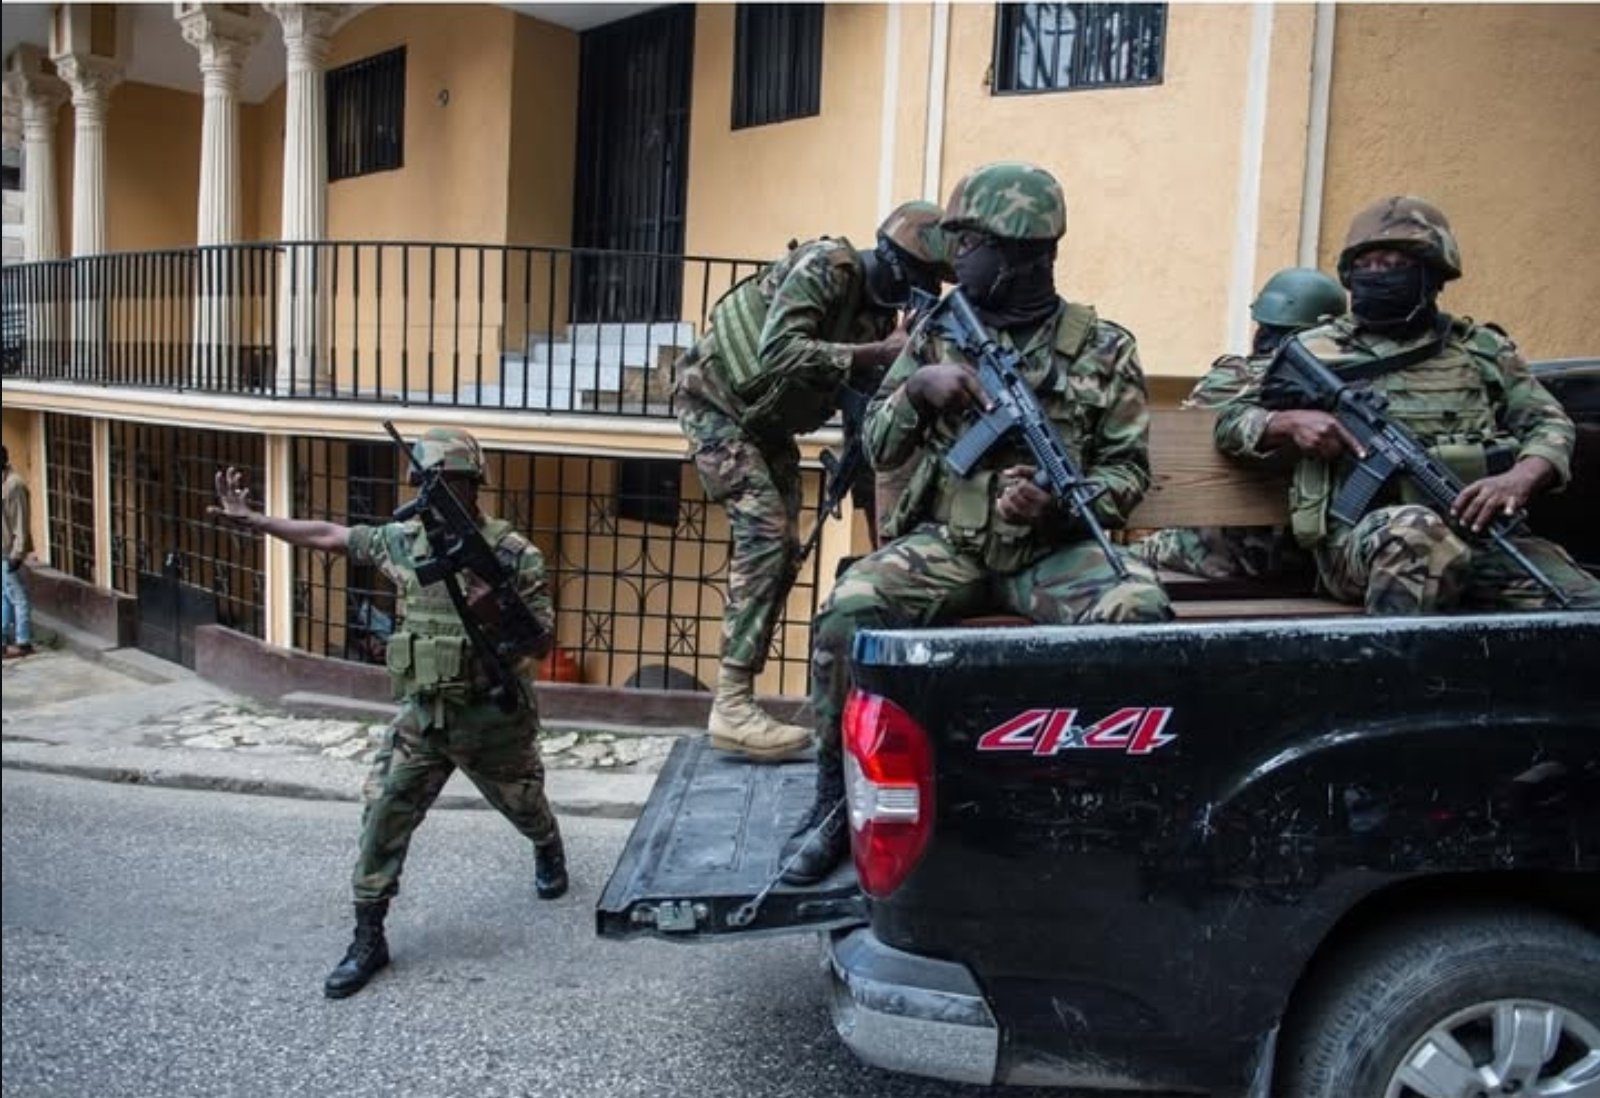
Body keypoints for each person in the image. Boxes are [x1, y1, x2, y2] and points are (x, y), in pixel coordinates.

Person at [779, 162, 1174, 884]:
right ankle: (833, 799)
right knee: (850, 608)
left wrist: (1061, 500)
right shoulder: (935, 332)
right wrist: (918, 392)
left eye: (972, 244)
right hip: (949, 548)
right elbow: (879, 447)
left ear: (1025, 253)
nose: (957, 259)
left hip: (1051, 555)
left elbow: (1128, 472)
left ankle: (1099, 800)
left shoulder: (1103, 346)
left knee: (1138, 610)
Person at [209, 427, 568, 999]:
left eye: (448, 483)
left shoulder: (513, 554)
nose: (436, 494)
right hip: (423, 719)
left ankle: (547, 845)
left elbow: (544, 643)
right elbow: (331, 535)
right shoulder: (403, 542)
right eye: (427, 484)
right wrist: (260, 522)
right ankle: (368, 935)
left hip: (491, 717)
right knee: (381, 815)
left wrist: (498, 608)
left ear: (474, 486)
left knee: (525, 806)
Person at [1215, 195, 1600, 613]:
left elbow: (1548, 422)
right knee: (1418, 537)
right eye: (1367, 264)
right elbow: (1231, 419)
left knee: (1581, 600)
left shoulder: (1480, 350)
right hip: (1361, 542)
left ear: (1432, 274)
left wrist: (1521, 477)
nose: (1377, 274)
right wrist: (1286, 422)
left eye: (1393, 264)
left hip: (1479, 533)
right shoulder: (1315, 350)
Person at [675, 201, 953, 762]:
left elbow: (863, 411)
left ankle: (737, 702)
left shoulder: (877, 319)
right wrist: (879, 353)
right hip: (714, 402)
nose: (923, 297)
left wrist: (875, 512)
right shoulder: (829, 266)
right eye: (922, 282)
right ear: (898, 265)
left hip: (767, 423)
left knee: (785, 550)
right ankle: (730, 704)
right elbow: (779, 353)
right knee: (764, 532)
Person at [1130, 268, 1346, 581]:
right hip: (1307, 560)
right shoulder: (1343, 386)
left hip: (1216, 554)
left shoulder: (1231, 377)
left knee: (1128, 557)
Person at [2, 445, 34, 659]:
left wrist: (18, 553)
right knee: (4, 596)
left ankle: (23, 642)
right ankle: (5, 639)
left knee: (18, 597)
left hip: (10, 551)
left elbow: (21, 521)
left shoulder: (14, 485)